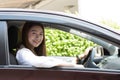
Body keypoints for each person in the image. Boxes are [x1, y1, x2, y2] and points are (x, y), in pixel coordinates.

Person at [16, 21, 84, 68]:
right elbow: (41, 62)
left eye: (41, 34)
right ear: (25, 34)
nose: (38, 37)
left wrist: (78, 58)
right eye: (34, 33)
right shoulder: (22, 52)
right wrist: (73, 65)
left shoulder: (31, 51)